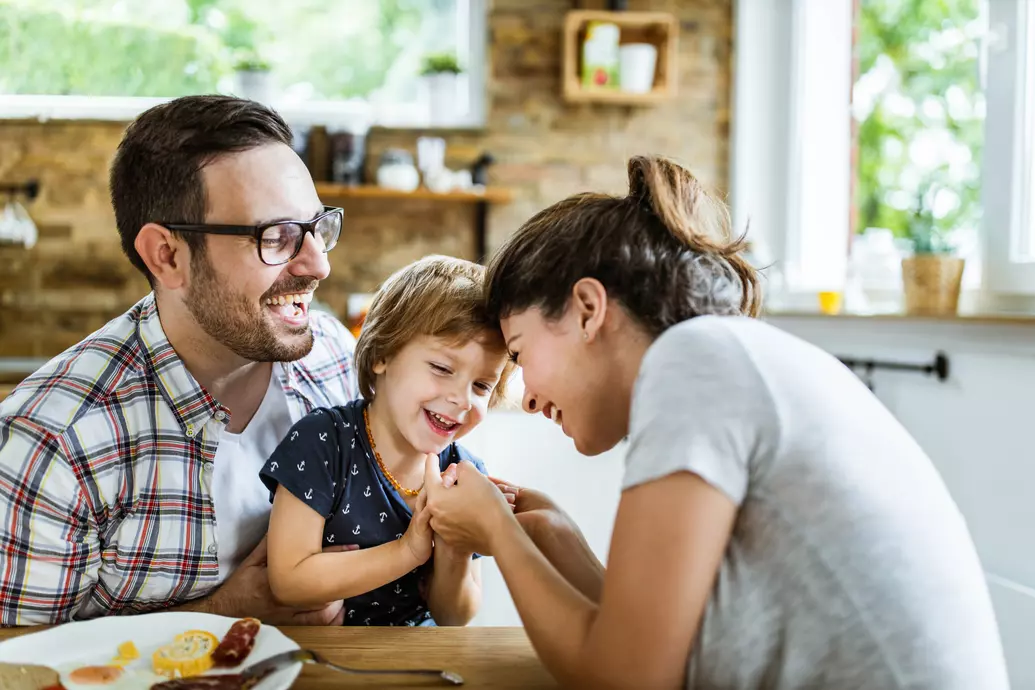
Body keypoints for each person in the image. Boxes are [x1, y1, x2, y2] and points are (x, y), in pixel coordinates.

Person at [421, 155, 1010, 689]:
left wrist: (497, 529)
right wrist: (551, 534)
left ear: (587, 309)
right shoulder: (721, 359)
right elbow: (670, 653)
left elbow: (628, 678)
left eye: (519, 355)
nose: (524, 397)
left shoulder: (695, 363)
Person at [0, 95, 359, 626]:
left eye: (317, 228)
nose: (319, 265)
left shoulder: (338, 358)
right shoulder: (54, 441)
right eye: (276, 237)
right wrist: (220, 614)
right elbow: (16, 664)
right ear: (167, 256)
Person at [260, 255, 515, 627]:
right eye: (443, 369)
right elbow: (288, 580)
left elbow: (454, 616)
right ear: (382, 354)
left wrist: (454, 546)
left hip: (416, 661)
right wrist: (408, 551)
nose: (463, 399)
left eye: (481, 386)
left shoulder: (464, 474)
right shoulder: (323, 443)